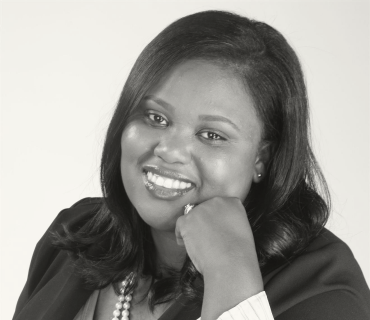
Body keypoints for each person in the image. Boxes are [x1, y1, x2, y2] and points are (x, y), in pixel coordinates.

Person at [13, 10, 370, 320]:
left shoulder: (322, 288)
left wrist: (230, 271)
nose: (169, 150)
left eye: (212, 135)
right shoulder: (73, 236)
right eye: (155, 117)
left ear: (262, 157)